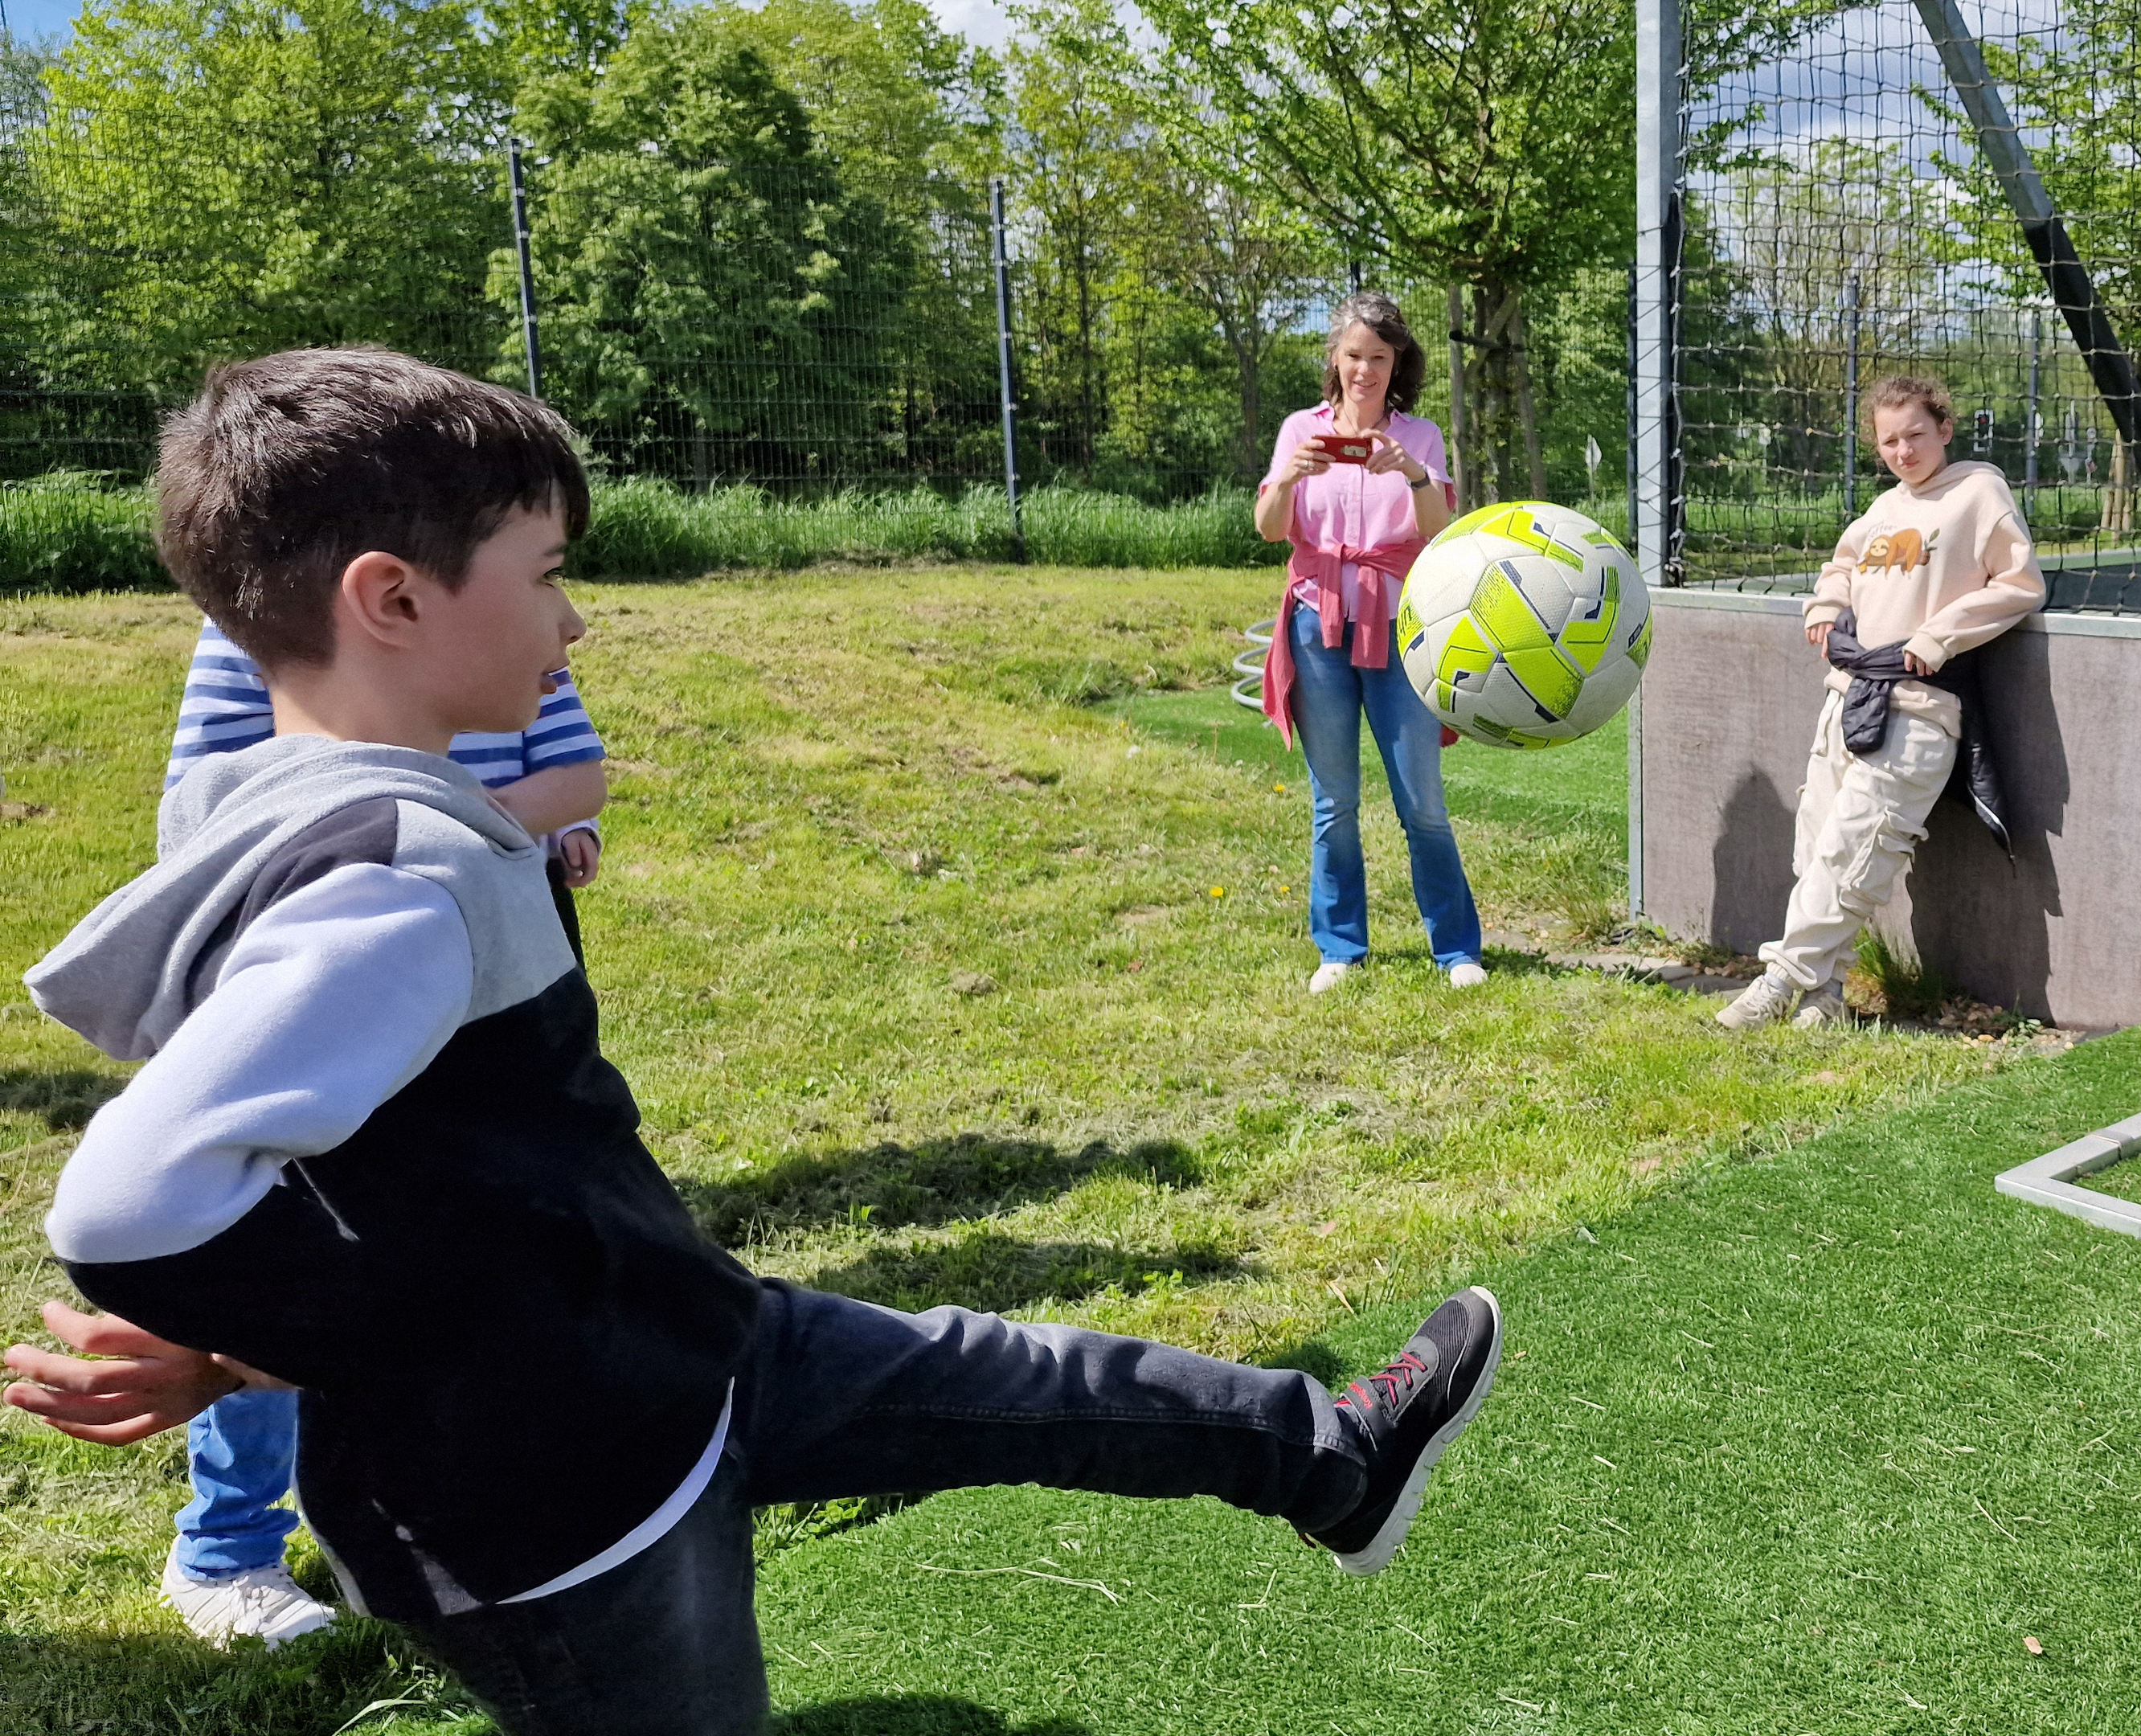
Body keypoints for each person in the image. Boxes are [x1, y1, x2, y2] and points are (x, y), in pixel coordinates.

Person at [3, 349, 1504, 1735]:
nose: (575, 618)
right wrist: (275, 1342)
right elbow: (125, 1204)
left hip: (679, 1342)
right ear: (392, 600)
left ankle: (1332, 1460)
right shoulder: (404, 882)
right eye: (548, 575)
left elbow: (364, 1187)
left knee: (1021, 1376)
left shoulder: (290, 814)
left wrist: (237, 1349)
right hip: (576, 1512)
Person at [152, 621, 611, 1648]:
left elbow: (577, 771)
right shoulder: (256, 620)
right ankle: (227, 1551)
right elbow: (200, 807)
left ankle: (459, 1505)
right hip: (327, 966)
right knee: (294, 1258)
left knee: (480, 1227)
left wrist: (509, 828)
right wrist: (439, 832)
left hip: (497, 957)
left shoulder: (497, 605)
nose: (566, 612)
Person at [1717, 374, 2044, 1032]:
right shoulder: (1883, 510)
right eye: (1889, 440)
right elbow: (1842, 565)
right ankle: (1826, 997)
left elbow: (2020, 582)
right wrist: (1826, 605)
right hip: (1846, 698)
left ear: (1945, 429)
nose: (1903, 450)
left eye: (1916, 434)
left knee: (1856, 851)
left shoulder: (1979, 493)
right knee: (1816, 847)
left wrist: (1939, 636)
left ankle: (1779, 981)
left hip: (1920, 709)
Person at [1254, 290, 1486, 995]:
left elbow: (1440, 528)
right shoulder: (1300, 428)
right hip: (1316, 622)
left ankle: (1457, 950)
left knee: (1421, 802)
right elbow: (1269, 528)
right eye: (1354, 356)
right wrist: (1292, 473)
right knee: (1335, 802)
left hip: (1400, 630)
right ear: (1335, 359)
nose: (1365, 370)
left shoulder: (1420, 437)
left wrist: (1410, 473)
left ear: (1396, 365)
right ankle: (1340, 948)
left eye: (1379, 359)